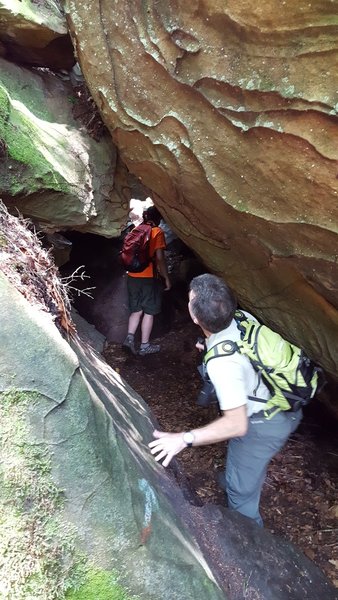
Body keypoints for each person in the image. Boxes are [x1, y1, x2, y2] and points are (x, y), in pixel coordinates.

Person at [148, 273, 302, 526]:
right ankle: (240, 473)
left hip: (265, 424)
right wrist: (212, 347)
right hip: (287, 401)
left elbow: (236, 425)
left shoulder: (223, 364)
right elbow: (244, 353)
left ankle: (253, 545)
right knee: (243, 462)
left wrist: (183, 439)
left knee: (240, 496)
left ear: (195, 317)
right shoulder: (242, 318)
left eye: (190, 300)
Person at [122, 206, 171, 356]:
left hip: (132, 276)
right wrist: (166, 278)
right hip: (148, 277)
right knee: (149, 311)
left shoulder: (134, 230)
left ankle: (129, 339)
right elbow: (160, 258)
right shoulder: (157, 232)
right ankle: (144, 346)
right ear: (158, 218)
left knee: (136, 310)